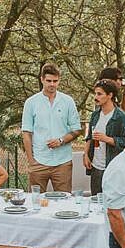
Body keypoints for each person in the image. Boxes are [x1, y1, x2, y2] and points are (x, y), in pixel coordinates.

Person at [20, 62, 80, 192]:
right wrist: (31, 161)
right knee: (35, 202)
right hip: (38, 161)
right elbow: (26, 134)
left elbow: (76, 130)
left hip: (63, 162)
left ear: (59, 80)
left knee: (64, 202)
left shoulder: (68, 101)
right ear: (41, 79)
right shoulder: (31, 103)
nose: (52, 84)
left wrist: (61, 141)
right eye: (49, 81)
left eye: (55, 81)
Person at [83, 78, 125, 194]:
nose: (96, 97)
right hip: (95, 167)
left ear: (110, 95)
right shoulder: (95, 115)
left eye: (100, 94)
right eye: (95, 93)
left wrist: (107, 139)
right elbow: (89, 136)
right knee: (95, 201)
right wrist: (86, 155)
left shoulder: (121, 117)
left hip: (112, 168)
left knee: (112, 202)